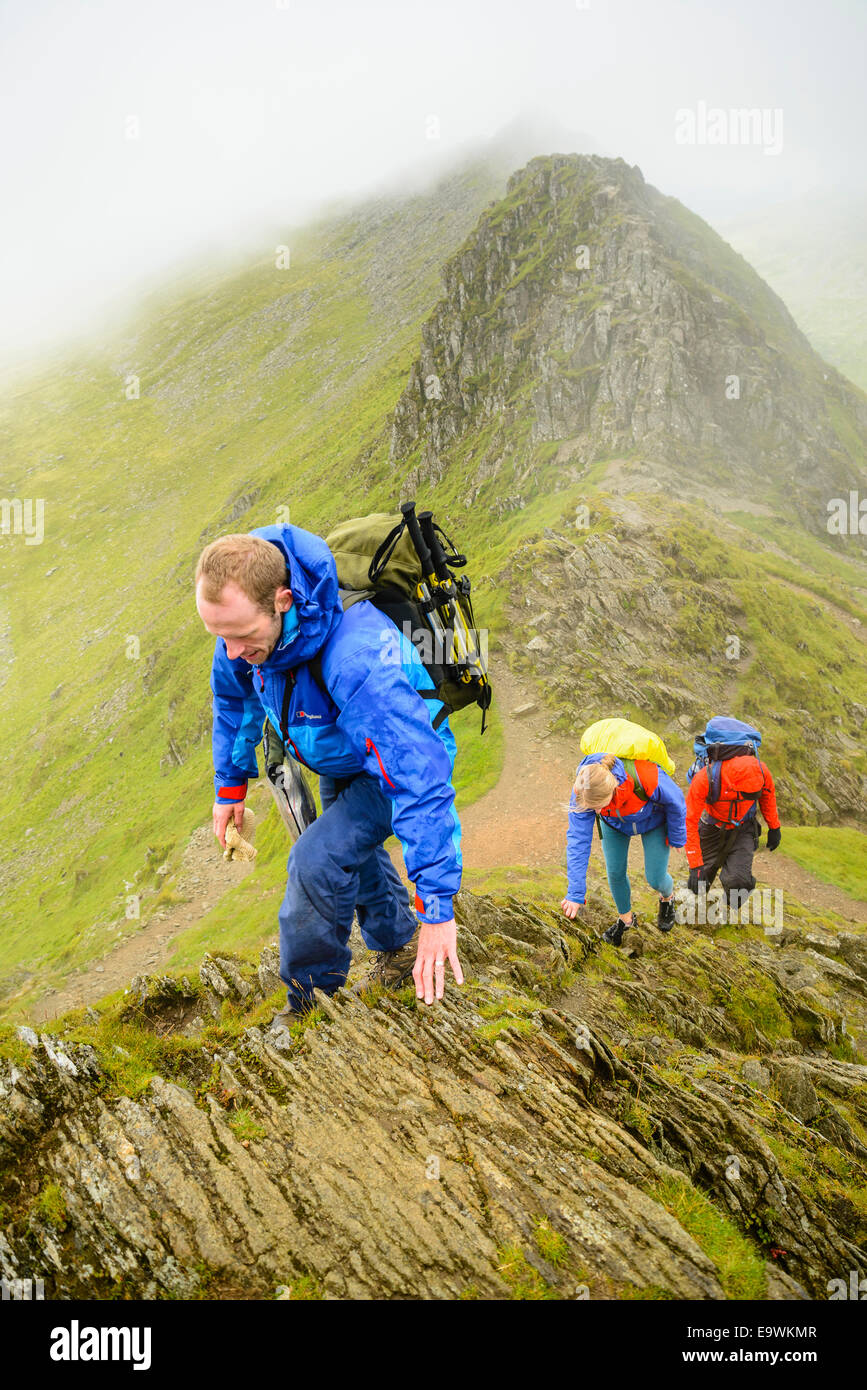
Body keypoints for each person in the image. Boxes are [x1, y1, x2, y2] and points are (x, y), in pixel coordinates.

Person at [195, 523, 464, 1021]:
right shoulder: (242, 631)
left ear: (282, 600)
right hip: (340, 752)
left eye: (240, 637)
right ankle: (398, 945)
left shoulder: (357, 657)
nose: (231, 652)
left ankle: (310, 1003)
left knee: (315, 860)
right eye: (219, 637)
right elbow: (233, 701)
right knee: (351, 854)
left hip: (394, 759)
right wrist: (230, 786)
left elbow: (418, 779)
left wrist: (439, 908)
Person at [561, 751, 687, 946]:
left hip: (653, 821)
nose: (596, 812)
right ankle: (626, 920)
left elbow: (676, 799)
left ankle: (667, 898)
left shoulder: (644, 774)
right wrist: (575, 893)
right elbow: (578, 839)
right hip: (614, 825)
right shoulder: (584, 788)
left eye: (599, 806)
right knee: (615, 872)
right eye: (592, 808)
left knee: (655, 878)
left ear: (613, 790)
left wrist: (678, 836)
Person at [685, 748, 781, 914]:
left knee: (739, 882)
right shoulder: (705, 778)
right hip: (712, 827)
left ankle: (727, 913)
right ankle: (695, 914)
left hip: (744, 828)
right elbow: (689, 821)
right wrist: (695, 865)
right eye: (745, 794)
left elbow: (767, 795)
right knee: (699, 882)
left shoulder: (761, 771)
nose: (748, 797)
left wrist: (774, 827)